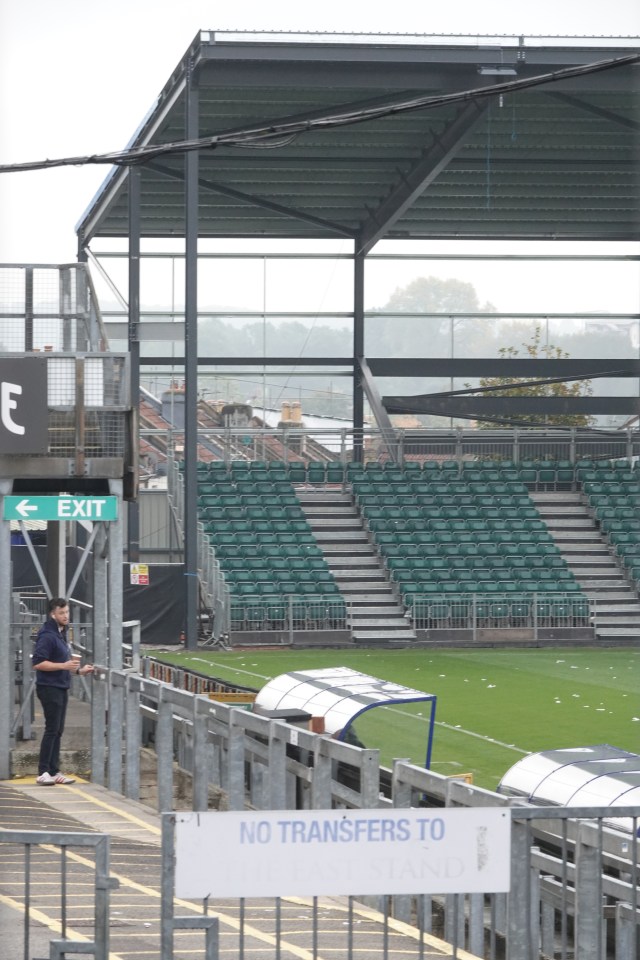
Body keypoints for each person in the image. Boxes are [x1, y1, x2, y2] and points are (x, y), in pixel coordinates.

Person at [32, 598, 94, 786]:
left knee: (58, 730)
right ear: (53, 614)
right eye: (62, 613)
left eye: (67, 612)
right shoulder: (48, 635)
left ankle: (53, 770)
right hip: (49, 688)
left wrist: (78, 671)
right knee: (52, 729)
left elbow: (63, 664)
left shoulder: (61, 633)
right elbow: (38, 663)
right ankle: (43, 771)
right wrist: (64, 665)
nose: (66, 616)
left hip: (60, 686)